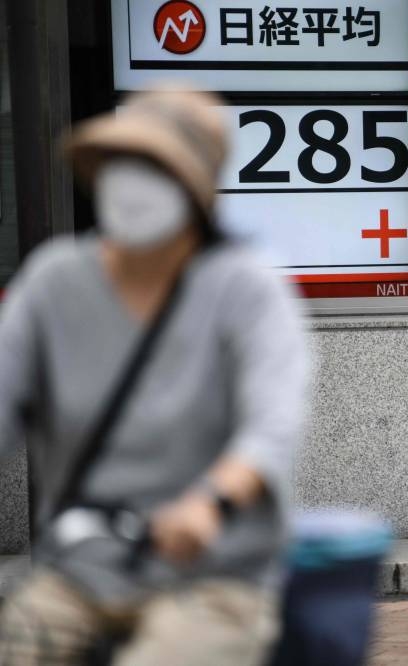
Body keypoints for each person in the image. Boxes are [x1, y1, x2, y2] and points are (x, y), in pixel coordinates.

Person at [0, 86, 310, 665]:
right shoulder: (52, 282)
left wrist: (210, 502)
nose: (132, 182)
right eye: (123, 164)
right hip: (78, 568)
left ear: (194, 189)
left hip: (214, 575)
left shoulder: (246, 288)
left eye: (155, 167)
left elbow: (273, 424)